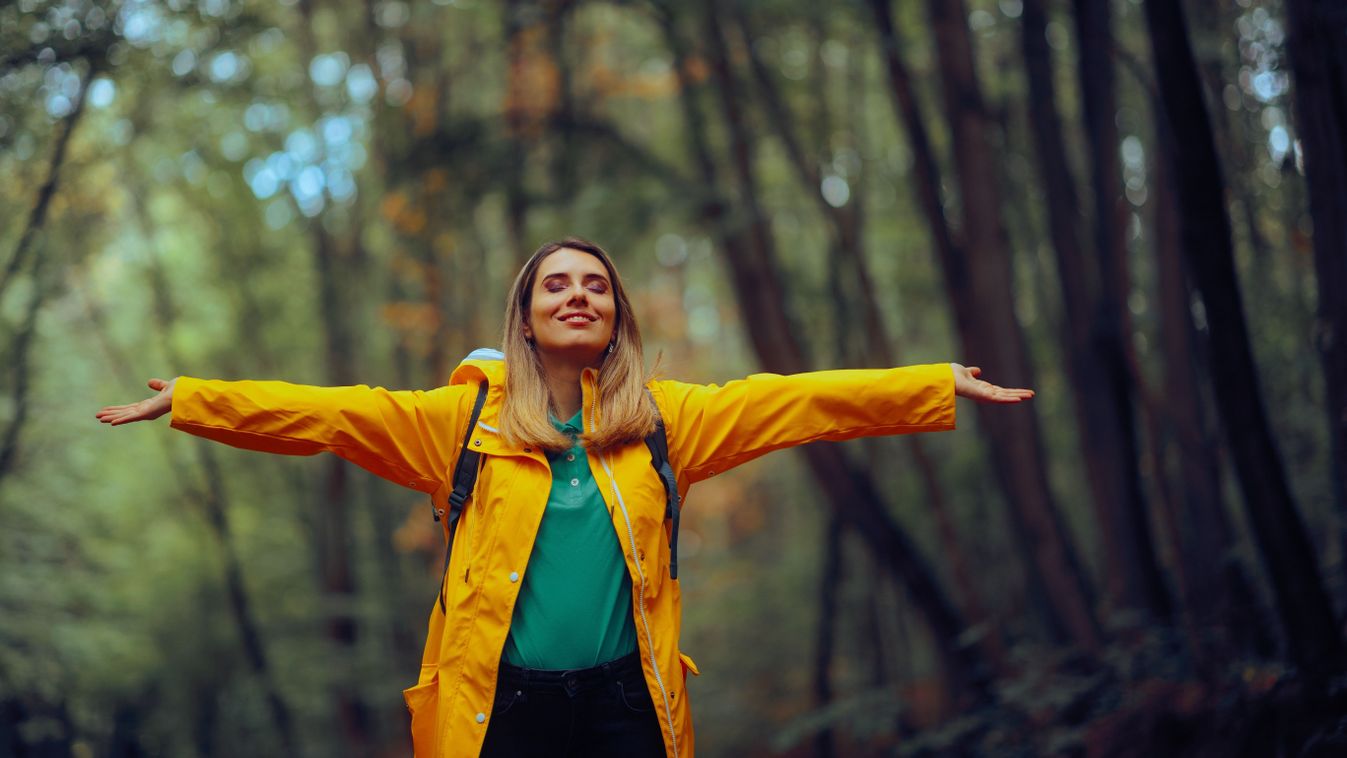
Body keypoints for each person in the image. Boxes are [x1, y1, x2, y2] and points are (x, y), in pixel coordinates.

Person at [96, 236, 1033, 758]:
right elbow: (332, 416)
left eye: (595, 285)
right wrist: (194, 399)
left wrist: (934, 382)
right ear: (528, 315)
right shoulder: (458, 427)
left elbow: (798, 402)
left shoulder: (669, 423)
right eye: (557, 285)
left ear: (616, 313)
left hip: (628, 708)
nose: (577, 295)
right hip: (499, 711)